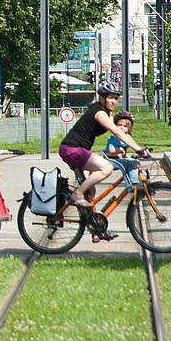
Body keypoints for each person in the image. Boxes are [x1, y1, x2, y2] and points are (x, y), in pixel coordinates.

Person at [58, 81, 149, 241]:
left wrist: (136, 146)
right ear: (102, 97)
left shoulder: (105, 112)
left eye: (115, 98)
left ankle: (96, 230)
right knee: (105, 168)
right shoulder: (99, 112)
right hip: (72, 149)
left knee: (91, 192)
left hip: (77, 150)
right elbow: (116, 132)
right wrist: (138, 149)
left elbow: (121, 132)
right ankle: (76, 194)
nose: (113, 101)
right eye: (110, 98)